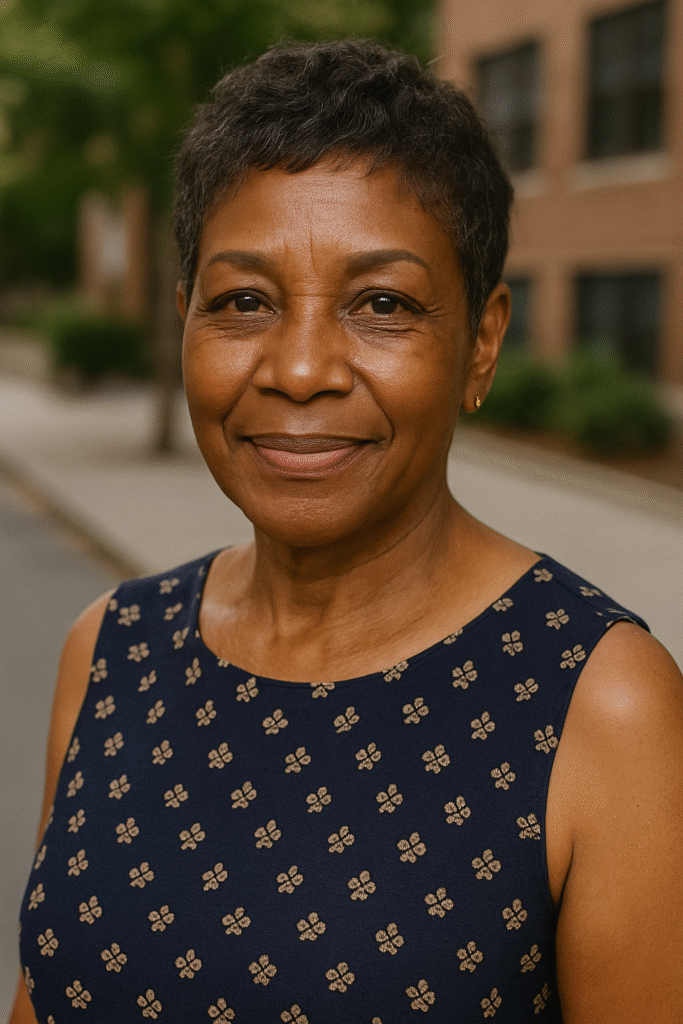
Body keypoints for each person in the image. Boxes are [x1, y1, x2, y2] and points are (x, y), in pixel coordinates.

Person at [11, 39, 683, 1024]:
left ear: (481, 342)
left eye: (381, 305)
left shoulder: (601, 703)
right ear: (185, 320)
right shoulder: (113, 646)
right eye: (243, 301)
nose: (298, 370)